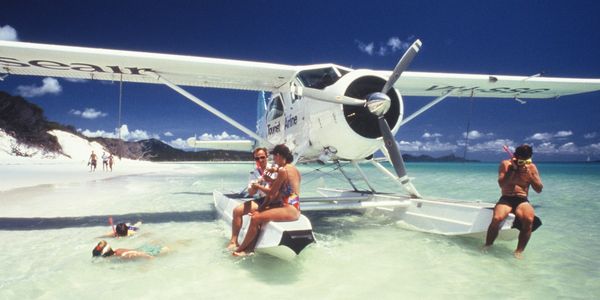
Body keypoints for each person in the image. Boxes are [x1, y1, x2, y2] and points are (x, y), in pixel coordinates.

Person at [233, 144, 301, 256]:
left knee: (255, 218)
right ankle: (249, 248)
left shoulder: (283, 170)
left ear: (278, 155)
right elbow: (281, 187)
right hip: (295, 206)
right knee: (259, 214)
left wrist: (257, 186)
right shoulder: (293, 169)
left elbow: (272, 192)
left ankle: (242, 249)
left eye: (274, 157)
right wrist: (262, 207)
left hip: (289, 208)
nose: (274, 160)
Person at [484, 144, 543, 258]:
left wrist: (530, 176)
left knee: (529, 220)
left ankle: (518, 251)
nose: (524, 163)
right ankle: (488, 245)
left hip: (522, 199)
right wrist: (513, 170)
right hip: (506, 198)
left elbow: (539, 189)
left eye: (526, 161)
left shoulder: (531, 167)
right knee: (497, 218)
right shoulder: (506, 164)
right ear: (515, 157)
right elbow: (502, 184)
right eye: (521, 161)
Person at [226, 147, 277, 250]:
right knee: (237, 211)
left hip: (274, 200)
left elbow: (277, 188)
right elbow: (250, 192)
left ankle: (249, 246)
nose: (260, 160)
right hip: (262, 200)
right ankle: (233, 241)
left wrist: (262, 183)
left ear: (267, 156)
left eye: (262, 157)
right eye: (257, 158)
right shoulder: (253, 173)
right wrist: (254, 186)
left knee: (257, 217)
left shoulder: (275, 168)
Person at [92, 240, 167, 259]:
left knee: (172, 251)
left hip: (149, 252)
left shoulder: (121, 255)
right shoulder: (117, 250)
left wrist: (150, 258)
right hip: (144, 248)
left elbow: (135, 253)